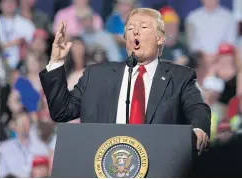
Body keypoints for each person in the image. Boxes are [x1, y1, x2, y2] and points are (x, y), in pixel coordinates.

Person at [39, 8, 211, 154]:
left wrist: (198, 129)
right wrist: (56, 62)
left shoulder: (179, 77)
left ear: (160, 38)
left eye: (143, 27)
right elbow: (62, 111)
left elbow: (197, 109)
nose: (135, 31)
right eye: (130, 28)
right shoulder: (96, 75)